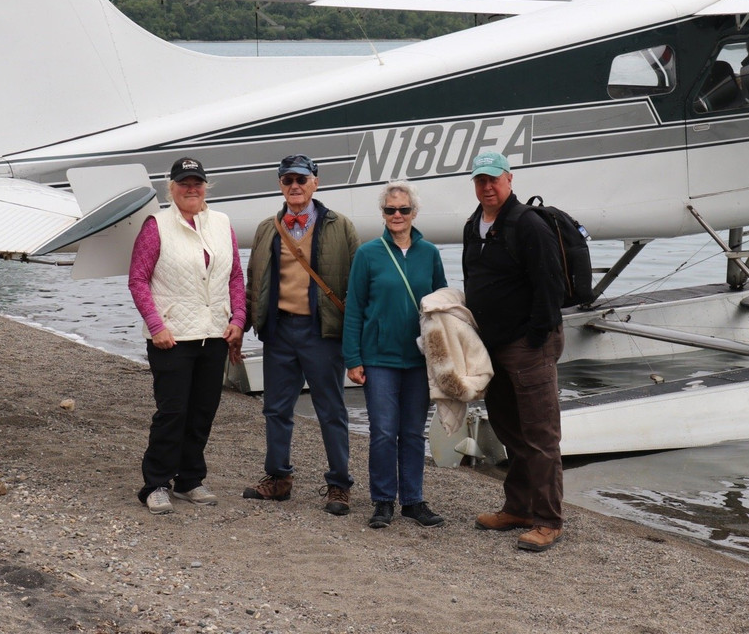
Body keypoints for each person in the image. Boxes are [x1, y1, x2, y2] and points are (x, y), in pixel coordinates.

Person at [461, 151, 567, 552]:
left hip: (528, 345)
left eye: (494, 179)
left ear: (509, 180)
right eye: (480, 181)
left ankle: (548, 519)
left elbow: (550, 287)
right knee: (509, 429)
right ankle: (518, 507)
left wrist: (536, 339)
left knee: (540, 435)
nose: (487, 187)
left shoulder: (528, 224)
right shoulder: (475, 224)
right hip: (493, 345)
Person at [243, 153, 360, 514]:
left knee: (332, 410)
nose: (295, 186)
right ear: (280, 185)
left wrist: (358, 343)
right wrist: (239, 328)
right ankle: (278, 479)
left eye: (301, 180)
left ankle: (339, 485)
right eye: (288, 180)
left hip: (322, 333)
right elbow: (253, 283)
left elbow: (357, 288)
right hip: (279, 331)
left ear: (315, 182)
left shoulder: (340, 226)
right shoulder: (267, 228)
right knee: (275, 409)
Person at [128, 157, 246, 515]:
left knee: (202, 412)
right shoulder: (156, 225)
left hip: (215, 335)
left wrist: (239, 318)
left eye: (197, 183)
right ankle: (156, 483)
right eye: (184, 183)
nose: (191, 189)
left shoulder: (222, 223)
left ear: (205, 186)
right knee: (172, 412)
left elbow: (236, 277)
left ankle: (190, 480)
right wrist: (156, 325)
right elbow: (138, 280)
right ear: (172, 188)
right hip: (172, 338)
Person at [343, 181, 448, 529]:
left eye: (403, 209)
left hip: (418, 359)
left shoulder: (429, 253)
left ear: (414, 213)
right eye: (390, 210)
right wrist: (352, 358)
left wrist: (445, 356)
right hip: (378, 356)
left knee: (414, 432)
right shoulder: (368, 253)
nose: (397, 215)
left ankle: (414, 501)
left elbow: (441, 307)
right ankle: (384, 500)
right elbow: (354, 308)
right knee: (384, 431)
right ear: (383, 213)